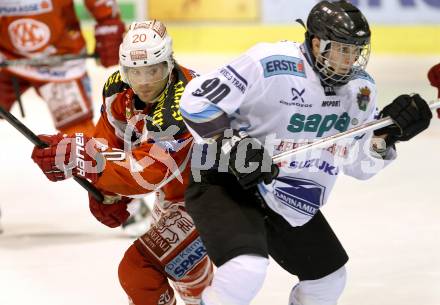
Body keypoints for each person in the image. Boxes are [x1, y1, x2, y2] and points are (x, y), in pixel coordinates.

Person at [179, 1, 433, 305]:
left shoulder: (360, 91)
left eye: (356, 51)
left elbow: (357, 165)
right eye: (343, 49)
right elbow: (196, 101)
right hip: (225, 180)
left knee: (328, 279)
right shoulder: (268, 63)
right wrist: (232, 144)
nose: (350, 60)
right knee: (246, 268)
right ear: (316, 43)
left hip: (283, 192)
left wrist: (384, 136)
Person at [30, 20, 213, 305]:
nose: (144, 82)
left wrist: (82, 157)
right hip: (174, 195)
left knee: (141, 271)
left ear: (169, 63)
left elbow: (146, 174)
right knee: (184, 280)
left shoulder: (186, 103)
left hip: (212, 198)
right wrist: (108, 193)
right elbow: (109, 144)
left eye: (153, 70)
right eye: (134, 72)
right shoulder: (118, 89)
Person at [0, 0, 125, 136]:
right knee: (79, 134)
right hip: (6, 56)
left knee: (78, 136)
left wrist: (108, 21)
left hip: (61, 64)